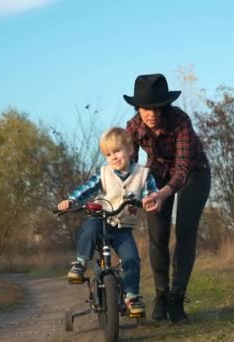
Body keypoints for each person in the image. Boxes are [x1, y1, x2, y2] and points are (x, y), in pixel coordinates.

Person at [124, 73, 211, 324]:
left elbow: (182, 168)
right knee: (157, 233)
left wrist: (164, 193)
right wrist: (130, 196)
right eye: (144, 108)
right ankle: (161, 296)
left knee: (185, 231)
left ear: (166, 105)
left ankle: (177, 298)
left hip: (194, 173)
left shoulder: (180, 121)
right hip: (158, 174)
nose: (150, 113)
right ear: (137, 107)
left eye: (156, 107)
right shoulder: (133, 127)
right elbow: (129, 167)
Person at [57, 127, 161, 315]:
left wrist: (149, 200)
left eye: (117, 151)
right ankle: (80, 262)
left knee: (131, 259)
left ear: (130, 150)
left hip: (123, 227)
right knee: (89, 229)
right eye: (108, 154)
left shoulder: (143, 174)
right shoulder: (104, 173)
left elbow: (150, 193)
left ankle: (132, 296)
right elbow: (87, 189)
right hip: (102, 220)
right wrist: (71, 200)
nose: (113, 157)